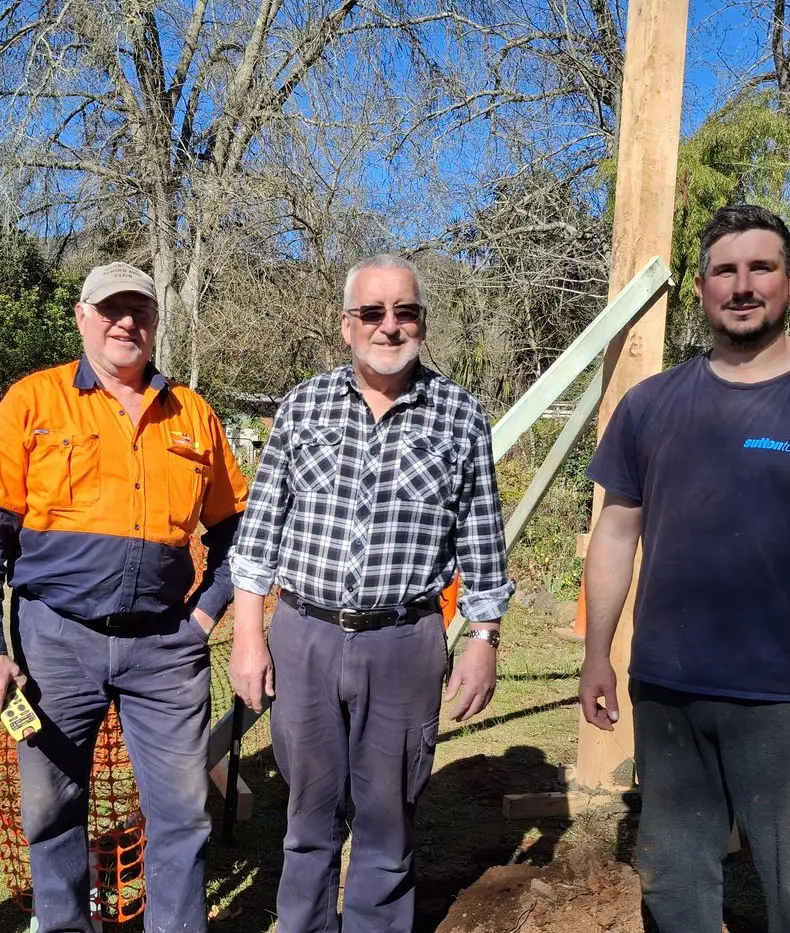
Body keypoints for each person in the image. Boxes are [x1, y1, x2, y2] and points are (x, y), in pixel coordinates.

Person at [578, 203, 790, 933]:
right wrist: (596, 654)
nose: (743, 285)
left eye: (761, 268)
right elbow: (615, 531)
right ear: (702, 289)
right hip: (671, 694)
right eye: (724, 271)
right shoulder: (651, 406)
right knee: (675, 890)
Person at [0, 261, 249, 933]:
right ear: (82, 317)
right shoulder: (34, 401)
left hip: (166, 649)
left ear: (155, 322)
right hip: (55, 643)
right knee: (52, 807)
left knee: (181, 811)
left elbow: (241, 533)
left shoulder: (193, 414)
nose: (126, 322)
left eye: (139, 310)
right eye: (110, 308)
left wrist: (203, 615)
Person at [229, 254, 515, 933]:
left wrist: (483, 640)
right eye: (373, 312)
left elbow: (482, 544)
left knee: (389, 820)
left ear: (422, 321)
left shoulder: (459, 415)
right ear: (346, 325)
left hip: (405, 642)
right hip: (306, 637)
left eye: (405, 312)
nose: (390, 326)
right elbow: (259, 535)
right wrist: (247, 637)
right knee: (307, 814)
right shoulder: (303, 404)